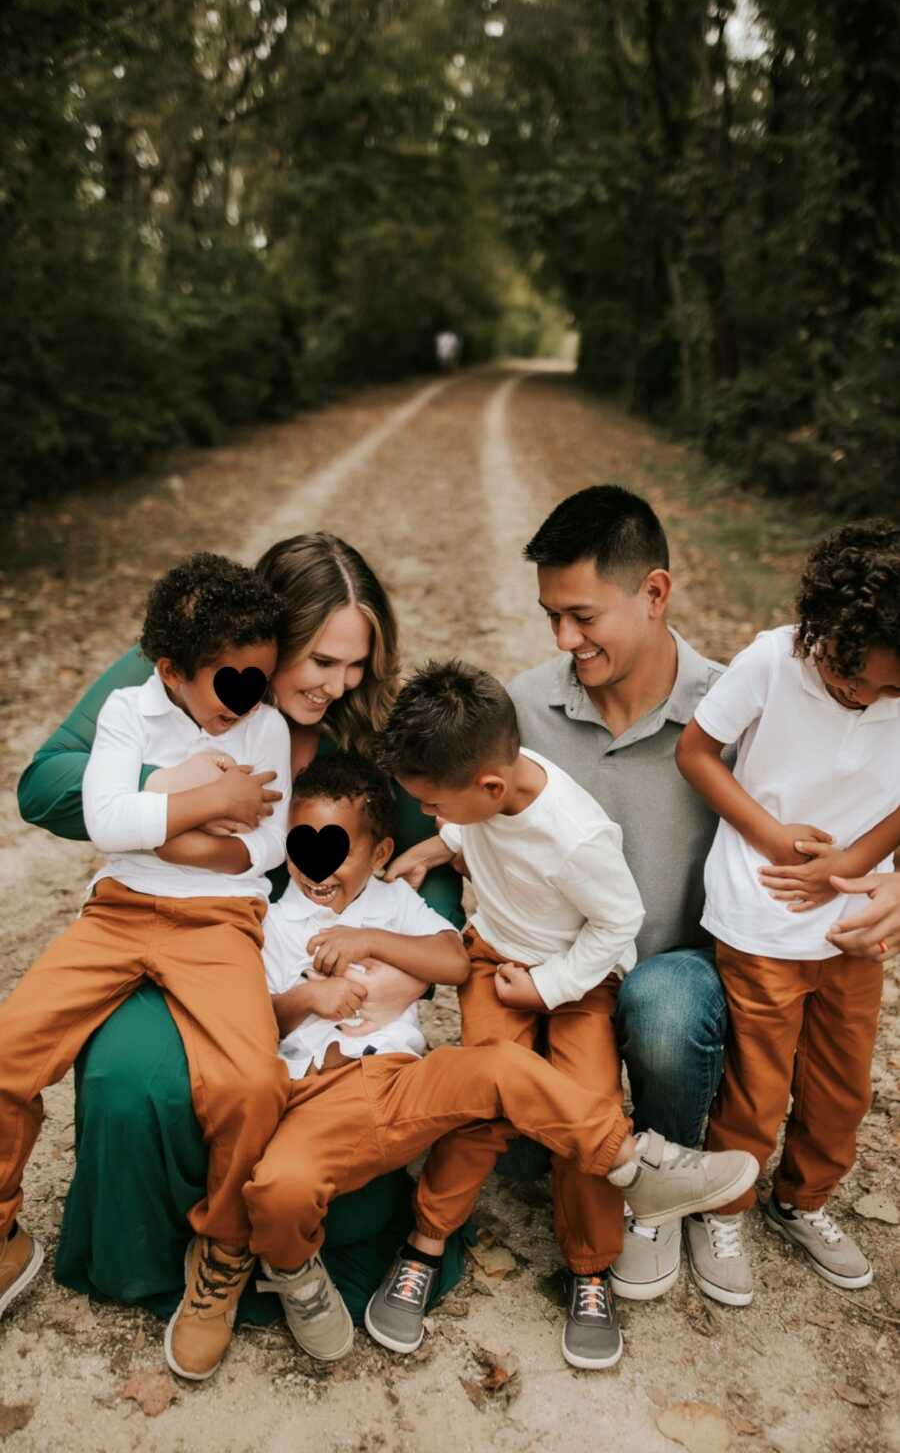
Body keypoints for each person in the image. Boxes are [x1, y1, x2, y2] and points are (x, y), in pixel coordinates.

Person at [16, 533, 467, 1325]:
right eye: (321, 662)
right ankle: (142, 1260)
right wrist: (178, 792)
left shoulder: (363, 719)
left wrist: (418, 933)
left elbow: (430, 845)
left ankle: (242, 1252)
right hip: (179, 911)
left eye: (356, 665)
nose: (339, 684)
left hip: (280, 944)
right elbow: (46, 786)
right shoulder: (179, 671)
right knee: (132, 1082)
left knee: (266, 1093)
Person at [243, 753, 758, 1368]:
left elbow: (454, 961)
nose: (315, 865)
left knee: (503, 1068)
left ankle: (635, 1169)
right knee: (277, 1194)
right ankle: (298, 1278)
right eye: (301, 846)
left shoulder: (391, 904)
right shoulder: (273, 922)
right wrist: (308, 996)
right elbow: (259, 1021)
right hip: (315, 1096)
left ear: (379, 854)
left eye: (336, 849)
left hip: (401, 1082)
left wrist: (373, 941)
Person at [0, 554, 294, 1382]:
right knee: (9, 1049)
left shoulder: (265, 725)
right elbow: (103, 819)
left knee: (252, 1083)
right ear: (170, 670)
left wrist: (159, 817)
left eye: (261, 679)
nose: (250, 697)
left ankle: (223, 1251)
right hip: (120, 909)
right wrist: (210, 799)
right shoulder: (129, 710)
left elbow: (265, 844)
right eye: (231, 682)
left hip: (222, 920)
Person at [381, 659, 646, 1369]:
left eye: (433, 805)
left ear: (490, 787)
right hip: (494, 959)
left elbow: (620, 923)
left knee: (588, 1104)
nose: (432, 814)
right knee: (480, 1095)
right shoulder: (484, 793)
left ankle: (590, 1266)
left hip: (578, 978)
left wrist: (552, 986)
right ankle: (426, 1243)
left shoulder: (575, 836)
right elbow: (474, 828)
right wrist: (438, 842)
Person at [507, 485, 728, 1302]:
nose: (566, 639)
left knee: (661, 1004)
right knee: (521, 1159)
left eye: (584, 616)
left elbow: (825, 815)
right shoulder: (528, 705)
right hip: (563, 975)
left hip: (678, 972)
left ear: (655, 592)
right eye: (551, 618)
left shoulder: (729, 711)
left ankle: (660, 1190)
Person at [676, 519, 900, 1305]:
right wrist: (769, 835)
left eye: (889, 692)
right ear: (825, 634)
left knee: (843, 1086)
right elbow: (696, 752)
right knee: (757, 1085)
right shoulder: (774, 659)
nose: (868, 701)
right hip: (760, 912)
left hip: (854, 921)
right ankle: (724, 1204)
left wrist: (856, 861)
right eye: (853, 685)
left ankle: (802, 1199)